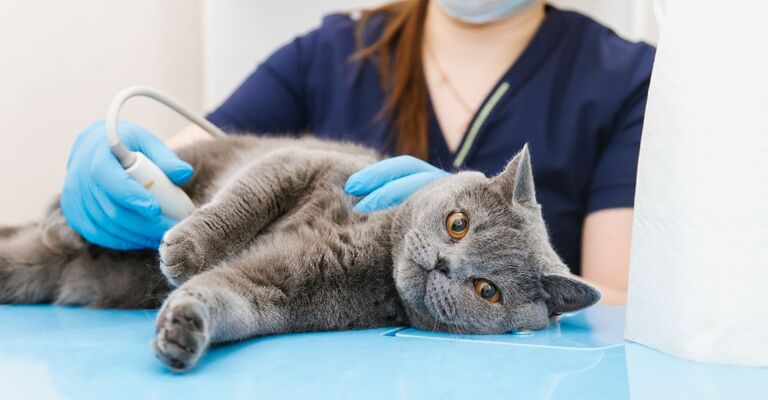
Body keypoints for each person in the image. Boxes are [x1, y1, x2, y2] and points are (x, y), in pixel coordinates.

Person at [60, 0, 655, 304]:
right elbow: (178, 166)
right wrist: (108, 167)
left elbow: (612, 304)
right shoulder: (328, 55)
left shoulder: (623, 81)